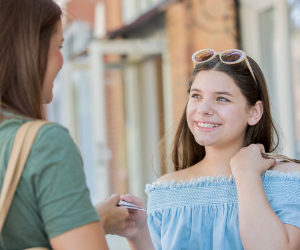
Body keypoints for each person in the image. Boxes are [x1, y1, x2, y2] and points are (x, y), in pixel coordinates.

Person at [0, 0, 145, 249]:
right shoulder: (44, 143)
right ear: (30, 50)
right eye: (59, 46)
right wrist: (94, 227)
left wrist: (86, 223)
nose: (62, 60)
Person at [141, 49, 300, 249]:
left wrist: (246, 173)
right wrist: (137, 235)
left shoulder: (290, 181)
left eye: (222, 98)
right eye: (196, 95)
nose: (203, 109)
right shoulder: (165, 191)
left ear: (254, 112)